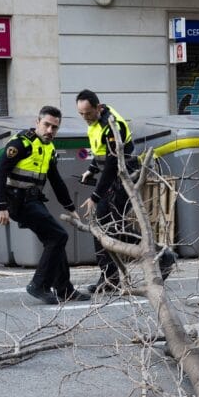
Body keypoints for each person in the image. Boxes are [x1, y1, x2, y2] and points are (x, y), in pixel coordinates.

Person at [76, 89, 176, 294]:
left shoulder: (112, 125)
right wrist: (92, 169)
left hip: (123, 180)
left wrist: (95, 196)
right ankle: (110, 278)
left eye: (88, 113)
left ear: (98, 107)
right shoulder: (96, 123)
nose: (85, 117)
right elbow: (101, 154)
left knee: (110, 228)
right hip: (111, 179)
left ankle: (162, 255)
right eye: (81, 114)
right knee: (106, 228)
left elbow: (113, 163)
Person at [0, 106, 89, 304]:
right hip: (17, 201)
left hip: (33, 200)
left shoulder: (49, 148)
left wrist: (70, 207)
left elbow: (56, 181)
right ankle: (39, 285)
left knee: (55, 239)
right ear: (37, 122)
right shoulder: (21, 144)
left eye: (54, 127)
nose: (49, 131)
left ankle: (64, 289)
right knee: (58, 236)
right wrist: (1, 205)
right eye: (46, 125)